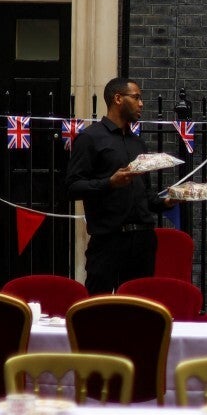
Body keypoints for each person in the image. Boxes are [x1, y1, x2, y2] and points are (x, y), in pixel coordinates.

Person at [67, 77, 175, 295]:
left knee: (140, 306)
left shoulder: (138, 143)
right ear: (118, 98)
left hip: (142, 240)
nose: (141, 103)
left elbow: (144, 195)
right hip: (108, 239)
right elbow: (72, 187)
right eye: (136, 97)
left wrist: (167, 201)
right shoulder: (90, 138)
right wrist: (109, 183)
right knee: (99, 305)